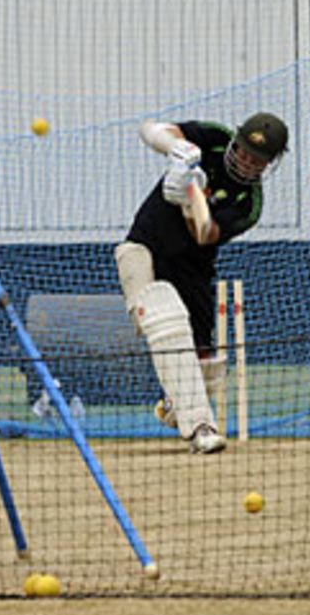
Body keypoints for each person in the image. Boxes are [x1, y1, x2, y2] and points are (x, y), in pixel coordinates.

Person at [115, 112, 288, 454]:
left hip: (191, 267)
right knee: (162, 316)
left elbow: (203, 233)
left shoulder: (248, 204)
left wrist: (189, 195)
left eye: (257, 160)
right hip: (143, 247)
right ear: (235, 142)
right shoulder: (213, 137)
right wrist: (178, 150)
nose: (245, 162)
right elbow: (148, 129)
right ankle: (201, 428)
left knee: (206, 363)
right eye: (242, 151)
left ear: (269, 165)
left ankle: (176, 405)